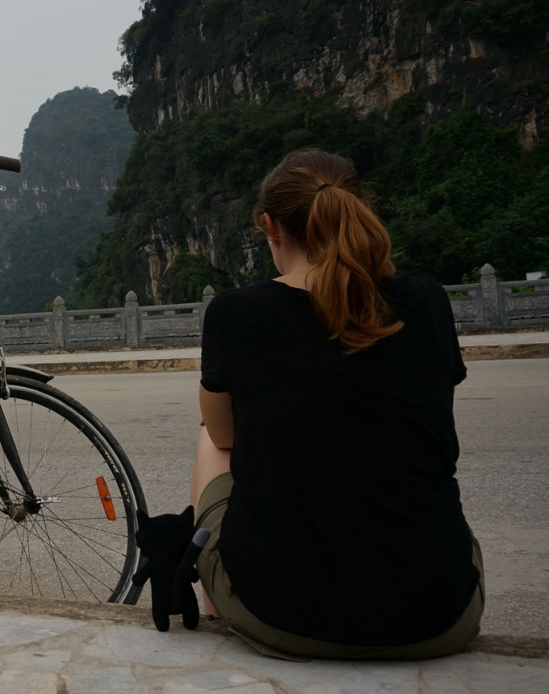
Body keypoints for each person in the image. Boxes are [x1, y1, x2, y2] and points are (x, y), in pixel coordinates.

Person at [191, 148, 483, 660]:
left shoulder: (237, 313)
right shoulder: (427, 299)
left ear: (269, 226)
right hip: (440, 614)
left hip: (278, 615)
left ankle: (217, 604)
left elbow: (223, 435)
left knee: (210, 441)